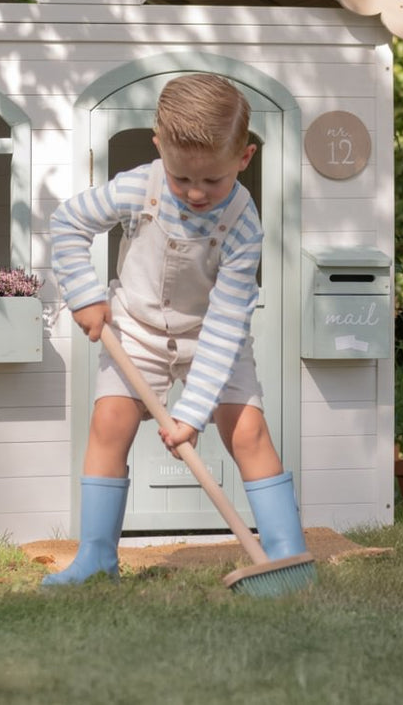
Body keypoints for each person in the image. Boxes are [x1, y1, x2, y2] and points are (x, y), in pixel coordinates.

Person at [43, 72, 306, 585]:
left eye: (213, 180)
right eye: (182, 177)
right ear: (159, 145)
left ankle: (288, 558)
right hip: (136, 333)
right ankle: (97, 559)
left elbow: (229, 321)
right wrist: (86, 295)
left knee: (248, 431)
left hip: (214, 336)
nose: (196, 192)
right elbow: (69, 223)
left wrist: (192, 413)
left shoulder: (244, 225)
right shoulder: (140, 187)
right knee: (108, 424)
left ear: (244, 159)